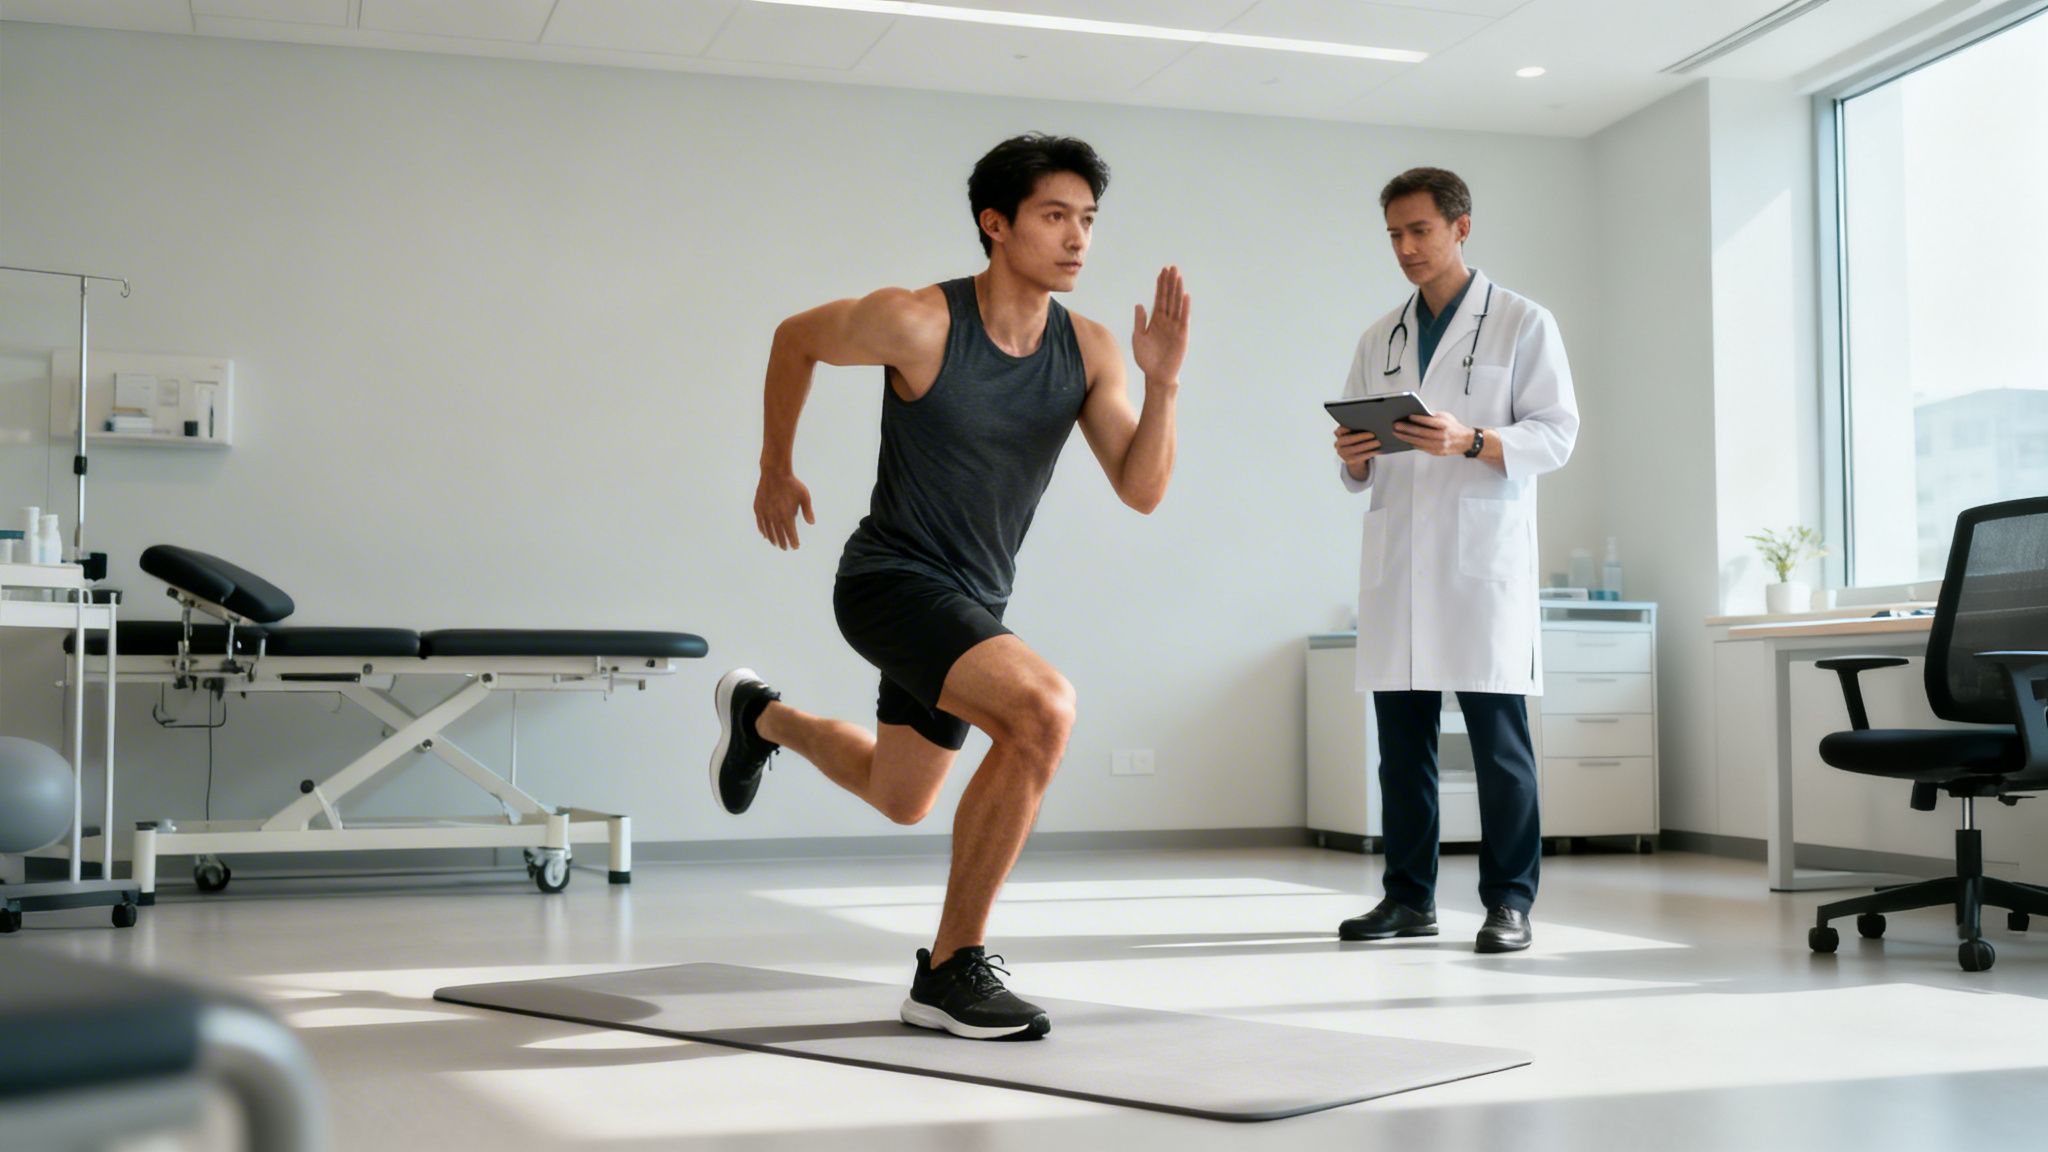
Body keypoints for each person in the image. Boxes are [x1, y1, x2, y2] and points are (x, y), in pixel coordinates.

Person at [711, 134, 1189, 1039]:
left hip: (970, 604)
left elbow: (1142, 487)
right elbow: (794, 339)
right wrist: (776, 466)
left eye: (1087, 220)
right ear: (995, 224)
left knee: (903, 796)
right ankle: (948, 970)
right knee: (1043, 710)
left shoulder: (1087, 350)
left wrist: (1163, 384)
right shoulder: (920, 321)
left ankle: (762, 718)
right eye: (1056, 217)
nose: (1078, 238)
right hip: (889, 579)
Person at [1330, 167, 1578, 953]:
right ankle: (1408, 899)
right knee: (1402, 751)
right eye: (1395, 235)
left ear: (1461, 226)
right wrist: (1354, 452)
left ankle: (1509, 901)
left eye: (1420, 231)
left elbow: (1558, 434)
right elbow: (1354, 466)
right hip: (1401, 560)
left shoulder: (1522, 323)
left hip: (1480, 562)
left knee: (1500, 746)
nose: (1405, 248)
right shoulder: (1382, 338)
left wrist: (1473, 439)